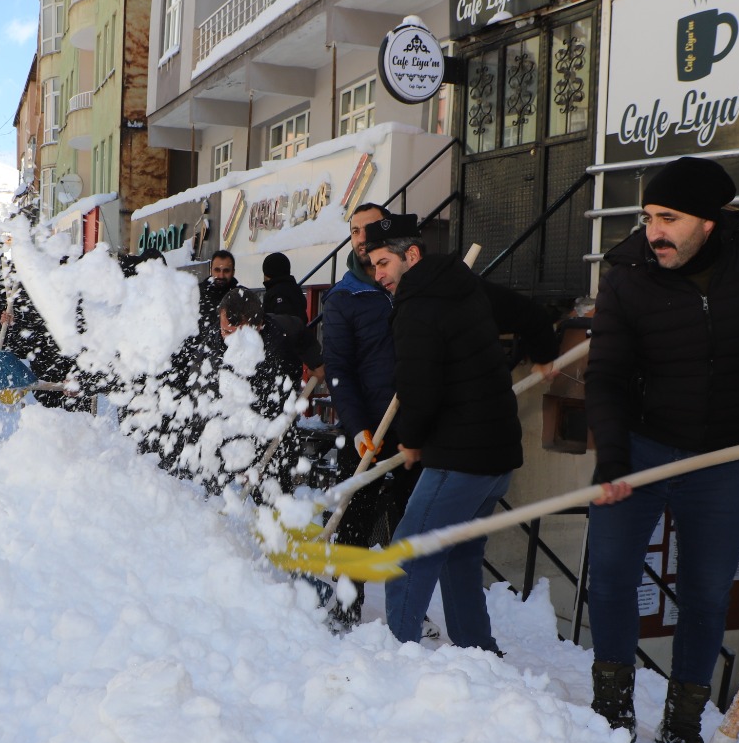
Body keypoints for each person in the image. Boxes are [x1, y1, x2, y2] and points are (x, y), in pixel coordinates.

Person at [583, 156, 739, 743]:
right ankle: (611, 709)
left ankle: (683, 720)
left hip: (724, 455)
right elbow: (604, 375)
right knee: (609, 579)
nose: (653, 231)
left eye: (669, 218)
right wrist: (611, 457)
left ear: (710, 222)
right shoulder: (627, 275)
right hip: (639, 443)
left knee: (709, 590)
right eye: (649, 216)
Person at [364, 213, 557, 651]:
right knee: (459, 556)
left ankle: (395, 661)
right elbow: (530, 314)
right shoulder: (462, 284)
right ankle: (477, 653)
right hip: (498, 458)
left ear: (410, 255)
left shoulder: (415, 308)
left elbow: (418, 386)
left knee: (407, 557)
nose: (378, 276)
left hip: (459, 458)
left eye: (382, 264)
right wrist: (544, 354)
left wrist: (410, 440)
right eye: (372, 267)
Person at [320, 203, 416, 627]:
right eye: (355, 230)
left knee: (413, 526)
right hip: (368, 432)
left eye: (370, 229)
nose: (361, 237)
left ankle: (408, 613)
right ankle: (344, 611)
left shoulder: (408, 286)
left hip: (416, 428)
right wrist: (357, 425)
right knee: (355, 524)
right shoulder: (344, 298)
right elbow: (338, 369)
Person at [214, 287, 324, 489]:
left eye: (235, 333)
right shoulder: (213, 346)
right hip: (232, 435)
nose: (228, 340)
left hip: (277, 431)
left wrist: (316, 363)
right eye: (225, 331)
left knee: (274, 499)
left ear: (258, 326)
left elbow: (302, 335)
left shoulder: (283, 330)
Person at [259, 252, 308, 322]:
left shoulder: (275, 293)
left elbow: (281, 322)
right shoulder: (295, 289)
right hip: (301, 331)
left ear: (268, 273)